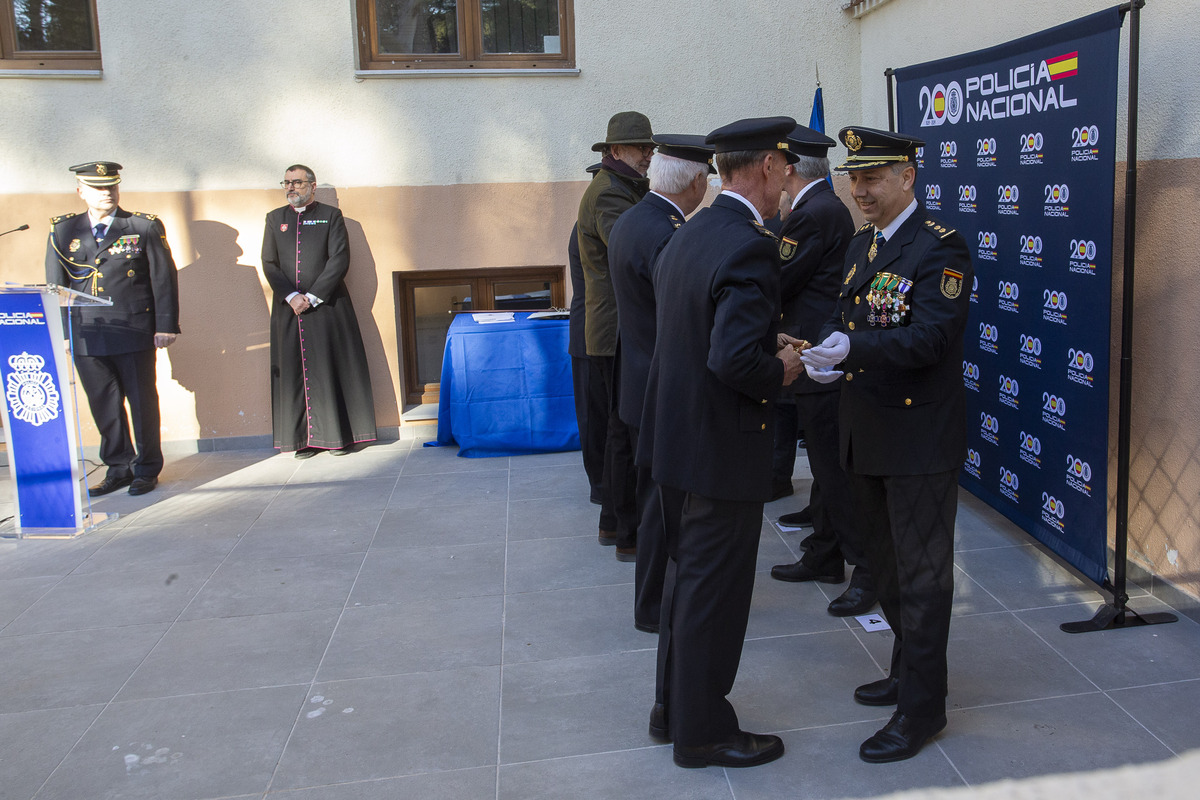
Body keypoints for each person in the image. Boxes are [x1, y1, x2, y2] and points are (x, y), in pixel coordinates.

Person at [800, 126, 973, 763]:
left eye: (872, 178)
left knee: (923, 579)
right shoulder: (858, 245)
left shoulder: (941, 250)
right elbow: (848, 320)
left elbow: (929, 339)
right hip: (865, 432)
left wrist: (854, 351)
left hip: (918, 438)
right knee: (886, 570)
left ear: (908, 177)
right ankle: (908, 670)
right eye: (854, 178)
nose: (859, 190)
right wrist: (826, 351)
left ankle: (923, 710)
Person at [639, 117, 805, 768]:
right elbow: (733, 360)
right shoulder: (748, 243)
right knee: (713, 595)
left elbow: (700, 332)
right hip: (718, 448)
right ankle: (704, 732)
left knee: (687, 586)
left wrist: (763, 345)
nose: (790, 177)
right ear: (765, 165)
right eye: (787, 166)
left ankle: (672, 711)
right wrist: (781, 368)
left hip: (678, 440)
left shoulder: (696, 229)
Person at [768, 125, 878, 618]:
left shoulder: (811, 213)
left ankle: (867, 570)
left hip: (817, 354)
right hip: (819, 348)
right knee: (827, 464)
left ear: (789, 168)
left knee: (837, 472)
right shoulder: (823, 208)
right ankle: (826, 552)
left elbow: (780, 275)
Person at [609, 135, 715, 634]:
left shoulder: (635, 218)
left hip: (638, 379)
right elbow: (679, 316)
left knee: (654, 500)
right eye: (707, 179)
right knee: (663, 509)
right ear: (694, 182)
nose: (707, 189)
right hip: (661, 386)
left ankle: (654, 602)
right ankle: (655, 606)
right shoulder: (668, 232)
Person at [45, 161, 179, 497]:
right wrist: (62, 334)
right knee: (104, 405)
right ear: (81, 191)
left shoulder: (142, 226)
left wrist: (166, 325)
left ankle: (146, 468)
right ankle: (118, 467)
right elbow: (55, 285)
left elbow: (163, 278)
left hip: (134, 330)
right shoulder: (63, 231)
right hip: (87, 333)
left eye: (111, 187)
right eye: (97, 188)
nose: (106, 193)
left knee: (142, 402)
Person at [578, 112, 654, 561]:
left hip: (616, 329)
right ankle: (627, 531)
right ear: (614, 151)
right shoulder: (609, 193)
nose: (648, 153)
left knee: (618, 432)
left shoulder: (621, 188)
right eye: (640, 147)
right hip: (615, 332)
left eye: (649, 146)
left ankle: (614, 523)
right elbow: (632, 247)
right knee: (624, 434)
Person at [261, 165, 376, 458]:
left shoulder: (331, 215)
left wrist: (311, 297)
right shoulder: (275, 219)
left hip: (327, 306)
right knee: (294, 374)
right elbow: (269, 262)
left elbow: (339, 258)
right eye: (286, 182)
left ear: (312, 187)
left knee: (330, 368)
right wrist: (291, 296)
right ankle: (304, 441)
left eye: (297, 182)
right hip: (288, 310)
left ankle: (338, 438)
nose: (291, 188)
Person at [568, 164, 606, 507]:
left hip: (593, 329)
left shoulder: (587, 223)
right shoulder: (587, 226)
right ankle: (600, 485)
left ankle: (604, 482)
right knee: (594, 416)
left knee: (601, 413)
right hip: (588, 332)